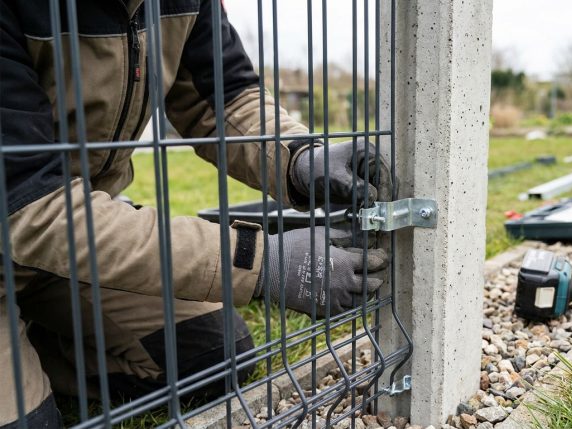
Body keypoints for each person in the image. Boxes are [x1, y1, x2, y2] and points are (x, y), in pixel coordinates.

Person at [0, 0, 388, 427]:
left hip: (76, 248)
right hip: (25, 228)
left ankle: (35, 342)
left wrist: (298, 158)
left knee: (214, 355)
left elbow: (223, 98)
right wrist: (262, 261)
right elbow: (32, 207)